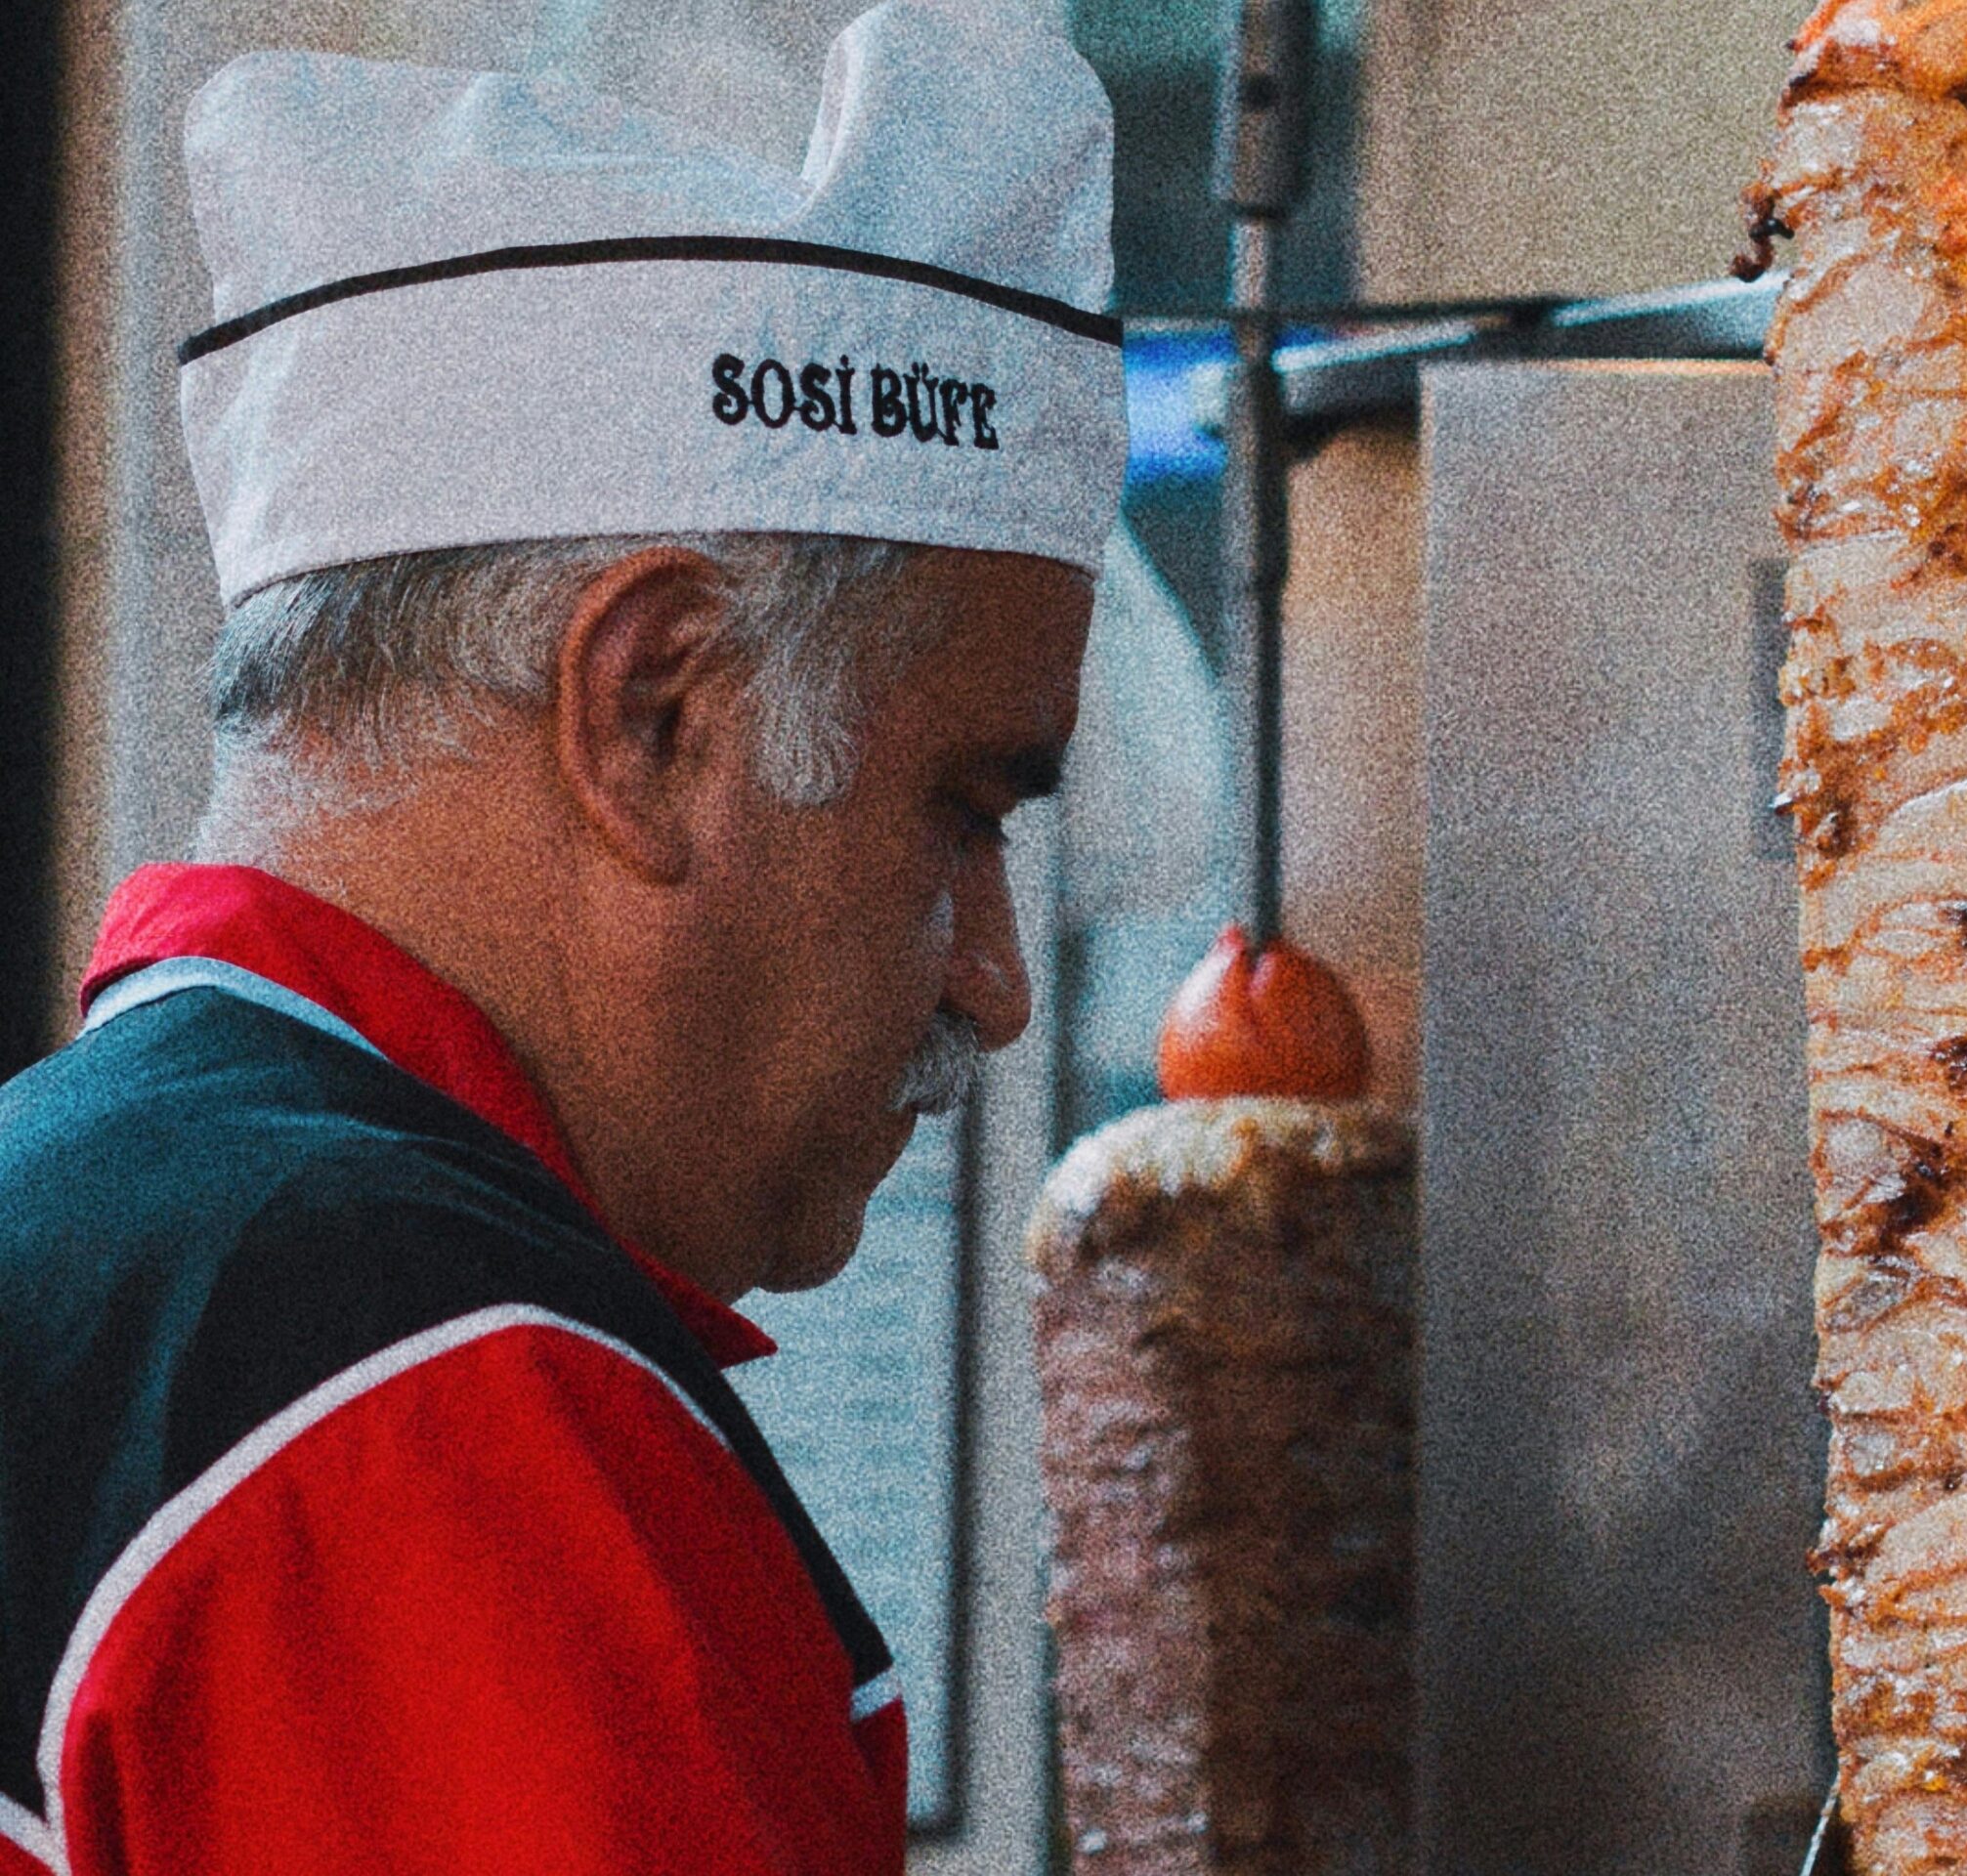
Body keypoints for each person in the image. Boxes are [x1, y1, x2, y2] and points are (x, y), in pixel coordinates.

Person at [0, 4, 1125, 1871]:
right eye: (966, 810)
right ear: (654, 711)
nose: (995, 984)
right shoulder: (420, 1402)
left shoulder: (72, 1208)